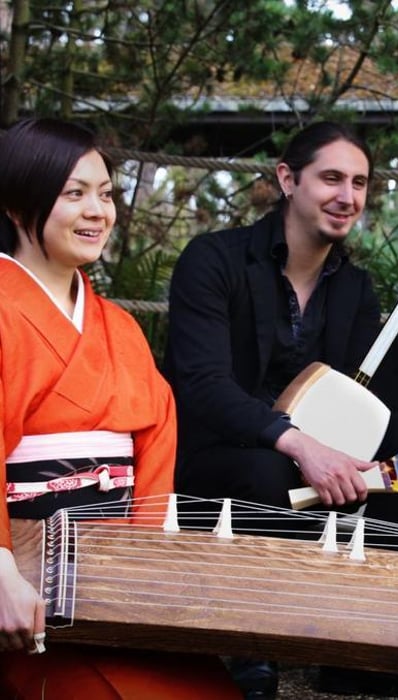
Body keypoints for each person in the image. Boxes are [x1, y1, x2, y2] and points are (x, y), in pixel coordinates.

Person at [164, 121, 398, 698]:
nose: (346, 196)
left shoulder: (353, 287)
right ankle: (251, 645)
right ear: (287, 179)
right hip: (214, 464)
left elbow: (370, 409)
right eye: (331, 178)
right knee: (266, 468)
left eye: (359, 182)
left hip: (307, 462)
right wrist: (299, 442)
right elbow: (203, 385)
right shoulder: (214, 260)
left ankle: (365, 647)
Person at [0, 118, 242, 699]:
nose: (97, 212)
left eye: (105, 194)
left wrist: (139, 577)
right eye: (73, 193)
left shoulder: (121, 328)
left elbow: (155, 454)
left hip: (108, 590)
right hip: (23, 587)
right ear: (15, 204)